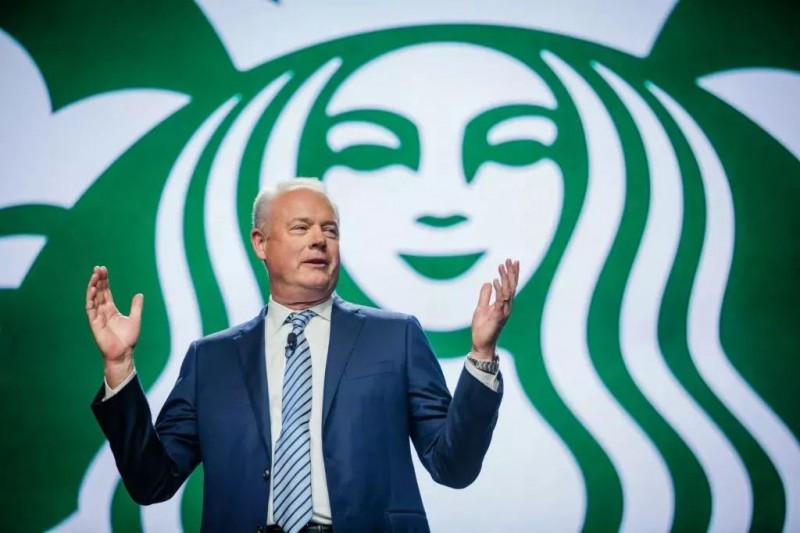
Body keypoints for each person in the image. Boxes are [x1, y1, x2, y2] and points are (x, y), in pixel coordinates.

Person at [86, 179, 519, 532]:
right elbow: (151, 482)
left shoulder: (395, 338)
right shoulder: (210, 360)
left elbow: (453, 466)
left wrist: (482, 354)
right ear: (261, 243)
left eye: (330, 231)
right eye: (301, 228)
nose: (319, 240)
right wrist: (119, 367)